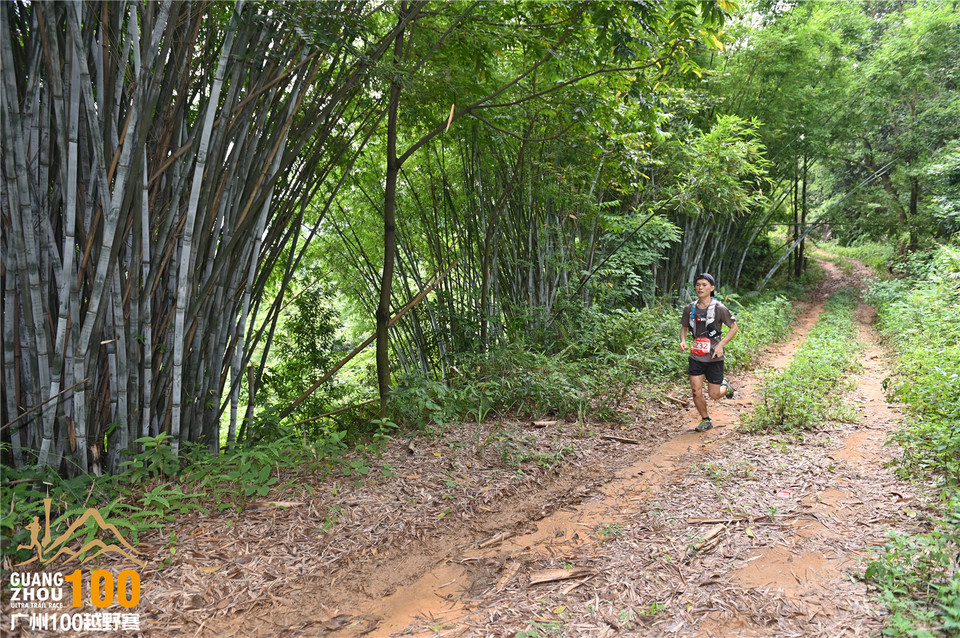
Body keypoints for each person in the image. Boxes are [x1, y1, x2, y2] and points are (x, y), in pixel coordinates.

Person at [678, 273, 738, 432]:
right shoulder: (689, 308)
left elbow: (734, 327)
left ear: (712, 288)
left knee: (714, 394)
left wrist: (721, 345)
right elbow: (684, 327)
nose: (700, 288)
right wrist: (683, 341)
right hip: (696, 356)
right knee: (696, 391)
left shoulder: (719, 308)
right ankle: (705, 419)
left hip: (714, 357)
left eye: (704, 285)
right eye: (698, 285)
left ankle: (725, 387)